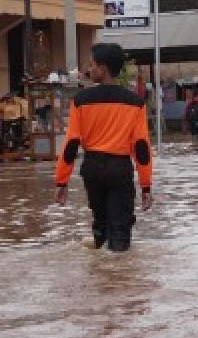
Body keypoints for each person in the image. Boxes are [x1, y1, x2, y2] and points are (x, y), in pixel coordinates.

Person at [54, 43, 153, 251]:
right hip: (119, 169)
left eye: (93, 64)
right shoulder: (135, 102)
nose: (90, 69)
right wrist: (146, 186)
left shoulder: (80, 101)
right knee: (120, 229)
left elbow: (71, 144)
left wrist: (61, 182)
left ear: (104, 68)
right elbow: (141, 148)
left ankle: (101, 278)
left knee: (100, 225)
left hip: (92, 169)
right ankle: (118, 278)